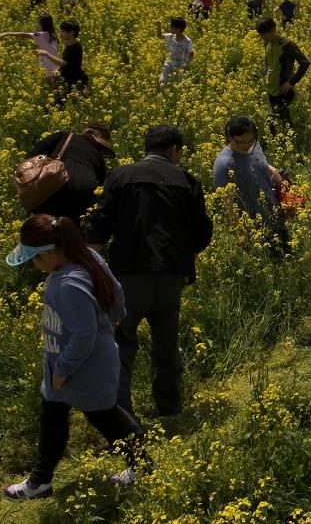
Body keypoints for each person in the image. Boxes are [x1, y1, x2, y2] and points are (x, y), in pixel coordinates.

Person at [2, 214, 143, 500]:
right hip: (75, 363)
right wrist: (114, 319)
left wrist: (63, 369)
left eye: (35, 260)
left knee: (109, 420)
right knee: (52, 415)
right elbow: (116, 293)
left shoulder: (66, 284)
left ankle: (143, 466)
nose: (34, 266)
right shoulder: (87, 257)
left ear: (50, 254)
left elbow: (83, 335)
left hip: (83, 369)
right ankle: (39, 481)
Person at [86, 124, 213, 417]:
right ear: (173, 150)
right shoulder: (187, 181)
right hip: (171, 278)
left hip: (129, 277)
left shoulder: (120, 176)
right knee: (166, 346)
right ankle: (170, 409)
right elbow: (203, 233)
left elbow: (98, 227)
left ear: (146, 149)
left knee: (121, 346)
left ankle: (120, 420)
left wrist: (94, 274)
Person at [212, 115, 289, 255]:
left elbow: (259, 163)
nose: (247, 145)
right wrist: (243, 237)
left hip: (275, 217)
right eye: (241, 142)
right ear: (229, 137)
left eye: (251, 140)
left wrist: (273, 170)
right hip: (255, 231)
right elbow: (228, 205)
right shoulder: (224, 165)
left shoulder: (254, 145)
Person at [25, 122, 116, 223]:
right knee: (71, 228)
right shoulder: (99, 158)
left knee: (42, 224)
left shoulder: (64, 136)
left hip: (55, 184)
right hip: (84, 192)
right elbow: (99, 184)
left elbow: (33, 156)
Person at [256, 18, 310, 124]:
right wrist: (265, 73)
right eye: (261, 35)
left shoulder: (287, 44)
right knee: (277, 119)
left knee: (283, 120)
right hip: (272, 89)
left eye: (265, 35)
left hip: (284, 89)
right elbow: (267, 62)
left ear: (273, 30)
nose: (263, 38)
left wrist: (291, 82)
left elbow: (305, 63)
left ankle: (292, 139)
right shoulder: (267, 43)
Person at [39, 20, 88, 104]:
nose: (61, 33)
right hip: (68, 79)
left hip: (74, 81)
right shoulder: (69, 44)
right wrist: (58, 70)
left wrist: (46, 54)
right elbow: (68, 62)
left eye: (63, 31)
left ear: (72, 33)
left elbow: (63, 62)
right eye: (61, 30)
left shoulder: (74, 48)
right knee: (60, 103)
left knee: (71, 104)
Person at [157, 17, 194, 84]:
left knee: (177, 84)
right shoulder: (170, 36)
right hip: (169, 63)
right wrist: (159, 25)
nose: (169, 27)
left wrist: (187, 64)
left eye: (172, 26)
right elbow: (159, 36)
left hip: (180, 66)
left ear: (178, 29)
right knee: (162, 82)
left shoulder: (188, 41)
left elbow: (191, 54)